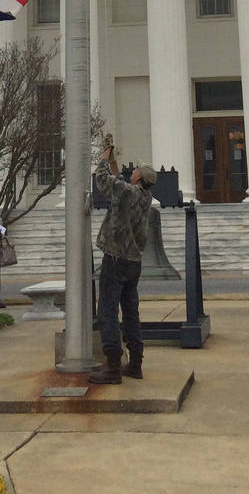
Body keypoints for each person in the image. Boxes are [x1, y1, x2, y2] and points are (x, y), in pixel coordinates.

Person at [91, 139, 156, 384]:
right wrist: (116, 162)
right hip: (133, 262)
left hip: (115, 258)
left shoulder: (127, 192)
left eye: (136, 169)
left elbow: (102, 179)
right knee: (130, 312)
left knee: (107, 310)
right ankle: (135, 363)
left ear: (139, 177)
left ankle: (113, 365)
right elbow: (120, 184)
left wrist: (105, 156)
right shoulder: (144, 197)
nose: (134, 170)